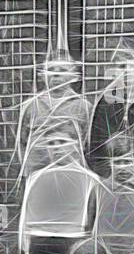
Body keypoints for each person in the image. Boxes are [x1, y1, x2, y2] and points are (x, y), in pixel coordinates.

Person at [19, 129, 101, 254]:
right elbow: (25, 217)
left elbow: (94, 219)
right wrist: (25, 246)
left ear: (75, 146)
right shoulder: (34, 177)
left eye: (61, 143)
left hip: (71, 243)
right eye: (51, 144)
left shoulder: (90, 179)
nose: (55, 148)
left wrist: (86, 249)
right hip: (39, 244)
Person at [15, 51, 91, 184]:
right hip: (37, 176)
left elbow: (87, 144)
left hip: (72, 178)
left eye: (62, 70)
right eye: (50, 70)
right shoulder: (30, 106)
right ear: (42, 75)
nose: (56, 74)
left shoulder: (84, 107)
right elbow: (22, 142)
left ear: (74, 76)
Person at [88, 41, 134, 178]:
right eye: (122, 66)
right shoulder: (105, 102)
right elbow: (97, 147)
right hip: (111, 178)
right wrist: (107, 177)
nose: (127, 71)